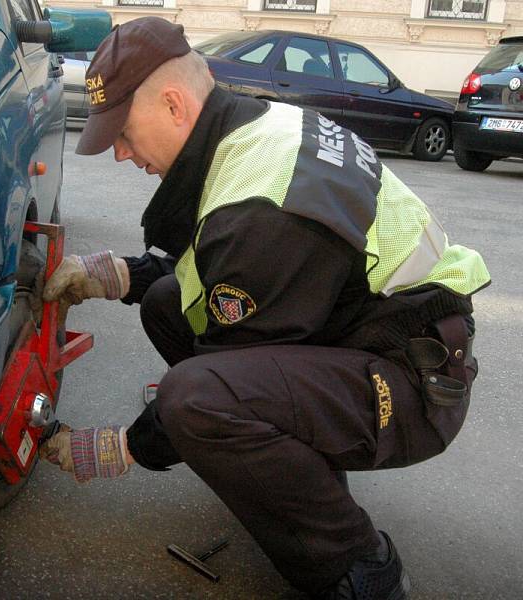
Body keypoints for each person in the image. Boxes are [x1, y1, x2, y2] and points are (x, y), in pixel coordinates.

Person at [39, 17, 491, 600]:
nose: (122, 154)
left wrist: (124, 448)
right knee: (165, 304)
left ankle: (360, 567)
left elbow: (242, 280)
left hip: (412, 379)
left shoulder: (262, 208)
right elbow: (220, 263)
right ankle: (286, 471)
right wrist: (116, 274)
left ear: (174, 104)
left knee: (196, 402)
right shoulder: (258, 125)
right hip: (369, 330)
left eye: (123, 133)